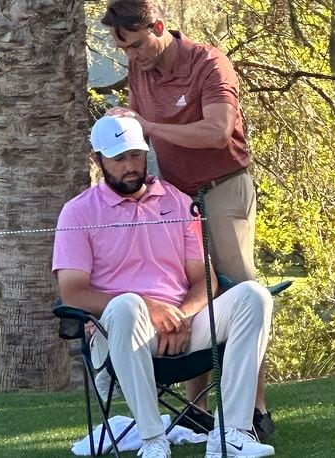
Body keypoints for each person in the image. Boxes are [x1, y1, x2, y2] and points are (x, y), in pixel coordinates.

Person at [101, 0, 276, 440]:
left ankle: (255, 411)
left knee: (240, 290)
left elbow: (217, 131)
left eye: (138, 45)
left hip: (223, 187)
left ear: (159, 26)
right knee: (190, 291)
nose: (132, 58)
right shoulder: (140, 70)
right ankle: (197, 410)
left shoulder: (209, 63)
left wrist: (147, 124)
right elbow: (141, 131)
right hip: (176, 197)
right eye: (124, 49)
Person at [52, 115, 275, 458]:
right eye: (119, 158)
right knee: (127, 306)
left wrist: (182, 316)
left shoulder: (178, 201)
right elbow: (74, 292)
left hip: (182, 326)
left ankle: (230, 432)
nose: (130, 166)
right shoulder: (77, 212)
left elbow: (205, 278)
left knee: (253, 296)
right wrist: (152, 309)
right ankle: (152, 440)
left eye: (136, 155)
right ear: (98, 160)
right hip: (117, 332)